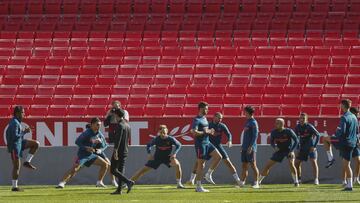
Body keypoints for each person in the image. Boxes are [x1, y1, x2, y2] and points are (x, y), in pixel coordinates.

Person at [187, 112, 241, 186]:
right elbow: (198, 131)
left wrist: (230, 140)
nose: (220, 119)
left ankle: (238, 180)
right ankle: (192, 179)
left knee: (228, 162)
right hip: (209, 146)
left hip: (218, 146)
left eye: (221, 118)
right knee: (199, 162)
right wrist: (195, 131)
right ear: (214, 117)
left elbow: (229, 134)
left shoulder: (222, 126)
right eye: (219, 118)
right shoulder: (208, 124)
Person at [56, 117, 109, 189]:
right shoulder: (87, 133)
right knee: (75, 169)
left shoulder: (99, 133)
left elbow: (105, 145)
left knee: (105, 164)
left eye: (99, 125)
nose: (99, 126)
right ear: (92, 125)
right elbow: (77, 142)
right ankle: (62, 183)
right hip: (82, 155)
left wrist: (100, 147)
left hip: (91, 155)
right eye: (97, 125)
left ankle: (99, 182)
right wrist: (86, 148)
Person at [6, 106, 39, 192]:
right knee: (16, 166)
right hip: (15, 146)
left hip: (19, 143)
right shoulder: (15, 123)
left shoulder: (17, 122)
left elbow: (16, 136)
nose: (24, 114)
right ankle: (14, 187)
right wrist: (24, 132)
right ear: (17, 113)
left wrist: (23, 132)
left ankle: (27, 162)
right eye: (22, 112)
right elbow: (14, 137)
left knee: (35, 144)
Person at [191, 102, 222, 192]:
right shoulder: (196, 120)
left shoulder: (204, 118)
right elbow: (195, 133)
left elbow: (204, 131)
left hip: (207, 143)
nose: (207, 110)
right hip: (200, 144)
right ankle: (198, 186)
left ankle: (208, 174)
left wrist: (209, 131)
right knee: (201, 165)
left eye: (207, 108)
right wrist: (206, 132)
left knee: (218, 157)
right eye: (206, 108)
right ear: (200, 109)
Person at [259, 118, 300, 187]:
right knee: (268, 165)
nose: (276, 124)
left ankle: (296, 182)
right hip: (279, 151)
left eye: (278, 123)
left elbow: (296, 141)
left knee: (291, 164)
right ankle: (259, 181)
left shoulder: (288, 131)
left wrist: (291, 150)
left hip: (288, 150)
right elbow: (271, 142)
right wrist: (274, 147)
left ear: (282, 124)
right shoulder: (274, 132)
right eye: (276, 123)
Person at [336, 99, 359, 191]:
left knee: (346, 165)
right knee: (346, 164)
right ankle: (348, 184)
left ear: (343, 106)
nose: (340, 106)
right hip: (353, 143)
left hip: (346, 143)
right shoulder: (354, 116)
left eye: (341, 105)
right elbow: (356, 131)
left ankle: (349, 186)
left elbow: (342, 131)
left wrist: (336, 133)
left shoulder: (344, 117)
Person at [110, 109, 134, 195]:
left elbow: (118, 139)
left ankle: (128, 182)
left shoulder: (120, 125)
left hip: (119, 150)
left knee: (113, 170)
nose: (114, 117)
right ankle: (119, 189)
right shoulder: (128, 125)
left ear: (116, 115)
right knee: (120, 170)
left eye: (114, 115)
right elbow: (128, 139)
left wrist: (115, 150)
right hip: (125, 150)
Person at [294, 113, 320, 185]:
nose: (301, 120)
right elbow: (296, 138)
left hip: (310, 147)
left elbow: (318, 135)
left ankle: (316, 179)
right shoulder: (297, 127)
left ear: (306, 120)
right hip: (302, 147)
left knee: (314, 162)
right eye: (300, 118)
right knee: (297, 163)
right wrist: (297, 147)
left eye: (303, 118)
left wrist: (314, 146)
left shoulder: (309, 126)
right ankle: (298, 179)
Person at [239, 106, 260, 189]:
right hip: (244, 147)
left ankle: (256, 183)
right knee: (244, 165)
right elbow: (246, 136)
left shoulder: (253, 122)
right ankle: (242, 182)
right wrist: (242, 146)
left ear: (248, 112)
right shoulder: (247, 122)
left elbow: (255, 135)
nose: (244, 113)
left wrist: (251, 146)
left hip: (251, 148)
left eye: (245, 112)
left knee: (253, 165)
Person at [349, 107, 360, 185]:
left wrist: (358, 139)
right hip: (348, 143)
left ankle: (356, 179)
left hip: (355, 143)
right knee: (346, 162)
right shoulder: (348, 120)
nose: (357, 115)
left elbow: (356, 132)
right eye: (356, 114)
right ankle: (345, 181)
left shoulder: (356, 121)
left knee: (358, 161)